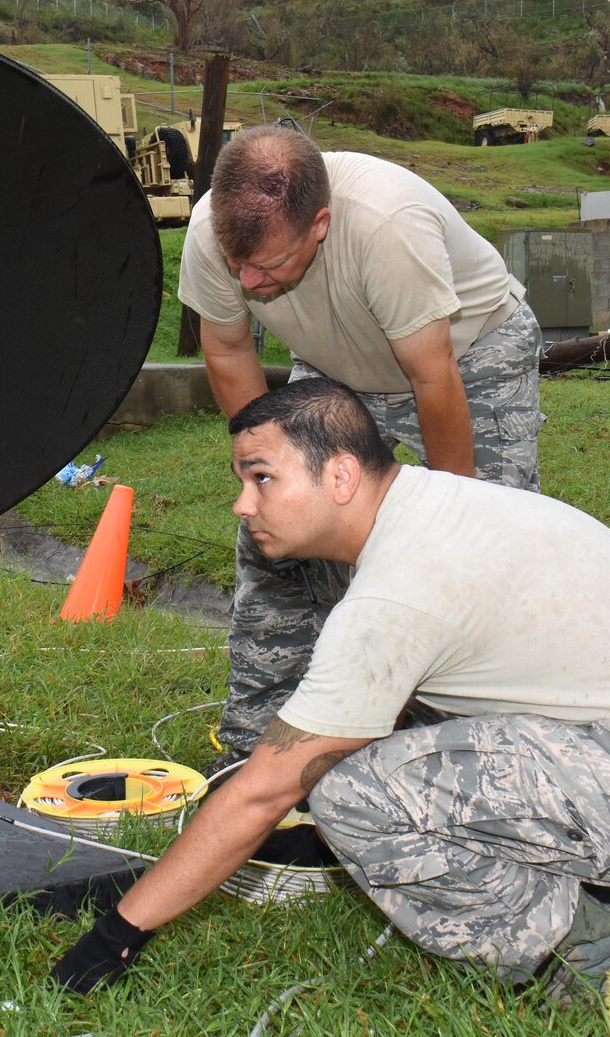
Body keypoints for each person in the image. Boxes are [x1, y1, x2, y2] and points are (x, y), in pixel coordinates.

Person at [51, 378, 610, 1004]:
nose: (243, 505)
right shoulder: (434, 506)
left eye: (262, 477)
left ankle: (605, 961)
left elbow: (264, 790)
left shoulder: (398, 592)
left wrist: (118, 934)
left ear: (340, 476)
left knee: (353, 793)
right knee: (406, 742)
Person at [178, 125, 544, 763]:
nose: (249, 282)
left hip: (468, 354)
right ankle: (259, 745)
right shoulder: (213, 228)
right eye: (237, 264)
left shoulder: (387, 224)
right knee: (278, 529)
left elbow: (433, 378)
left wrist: (448, 523)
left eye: (265, 266)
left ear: (319, 225)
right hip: (332, 361)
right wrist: (266, 475)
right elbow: (227, 347)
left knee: (484, 548)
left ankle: (469, 749)